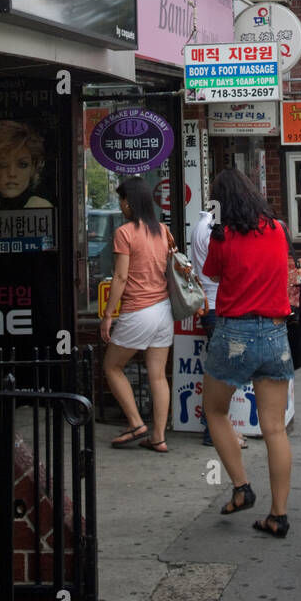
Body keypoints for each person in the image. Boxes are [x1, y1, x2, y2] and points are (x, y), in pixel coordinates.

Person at [202, 168, 293, 538]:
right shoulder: (278, 229)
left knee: (214, 410)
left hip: (234, 332)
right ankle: (279, 515)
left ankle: (241, 486)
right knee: (275, 429)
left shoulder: (222, 236)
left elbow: (212, 275)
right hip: (275, 332)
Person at [100, 177, 172, 452]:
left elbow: (120, 277)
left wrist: (108, 315)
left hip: (138, 311)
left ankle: (135, 422)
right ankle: (158, 437)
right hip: (163, 310)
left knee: (111, 366)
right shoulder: (163, 231)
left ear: (129, 202)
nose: (120, 205)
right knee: (157, 375)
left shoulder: (125, 233)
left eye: (121, 200)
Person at [189, 204, 246, 450]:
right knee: (223, 370)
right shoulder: (213, 230)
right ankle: (215, 430)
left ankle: (216, 428)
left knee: (218, 368)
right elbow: (219, 272)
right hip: (219, 305)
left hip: (211, 305)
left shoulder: (201, 227)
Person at [0, 120, 52, 209]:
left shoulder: (41, 207)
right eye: (3, 165)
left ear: (33, 168)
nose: (12, 173)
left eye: (22, 165)